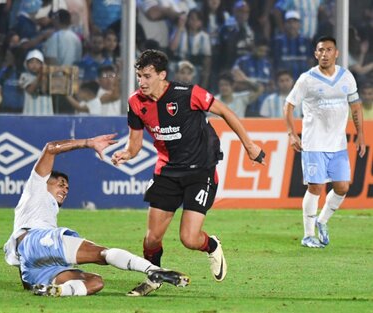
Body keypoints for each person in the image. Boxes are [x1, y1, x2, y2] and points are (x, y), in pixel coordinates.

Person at [111, 49, 265, 296]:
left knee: (189, 239)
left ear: (162, 75)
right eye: (139, 76)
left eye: (147, 76)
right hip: (167, 172)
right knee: (151, 239)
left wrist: (249, 145)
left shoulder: (188, 93)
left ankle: (212, 245)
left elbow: (225, 112)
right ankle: (154, 277)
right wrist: (126, 154)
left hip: (200, 171)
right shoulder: (135, 103)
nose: (142, 82)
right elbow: (135, 144)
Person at [3, 133, 190, 297]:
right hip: (37, 239)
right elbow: (50, 148)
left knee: (95, 282)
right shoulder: (36, 187)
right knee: (102, 254)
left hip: (33, 264)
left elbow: (24, 254)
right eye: (60, 184)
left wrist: (28, 278)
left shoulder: (44, 211)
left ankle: (59, 291)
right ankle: (153, 270)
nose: (65, 189)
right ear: (45, 182)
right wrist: (88, 142)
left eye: (67, 187)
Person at [284, 36, 366, 248]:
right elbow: (289, 105)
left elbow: (356, 107)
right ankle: (308, 235)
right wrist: (292, 134)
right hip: (314, 144)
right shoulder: (307, 79)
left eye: (329, 50)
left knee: (342, 187)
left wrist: (361, 135)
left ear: (336, 53)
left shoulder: (346, 77)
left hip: (338, 144)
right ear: (315, 54)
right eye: (321, 50)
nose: (324, 54)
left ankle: (322, 221)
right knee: (316, 187)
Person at [19, 49, 53, 115]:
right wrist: (40, 74)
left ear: (42, 64)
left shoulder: (48, 77)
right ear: (27, 64)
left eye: (37, 62)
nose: (34, 65)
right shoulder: (24, 76)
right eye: (31, 62)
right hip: (30, 115)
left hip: (46, 114)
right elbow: (30, 90)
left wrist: (45, 73)